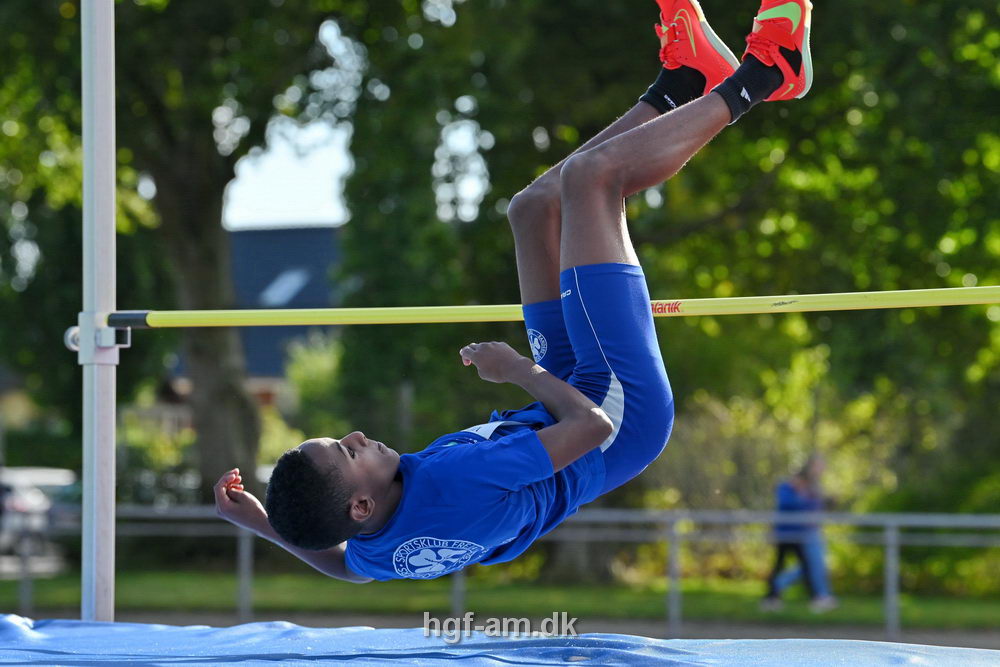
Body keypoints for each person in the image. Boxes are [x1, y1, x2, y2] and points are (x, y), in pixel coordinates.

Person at [215, 0, 814, 583]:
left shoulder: (377, 546)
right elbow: (592, 430)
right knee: (592, 180)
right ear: (361, 506)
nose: (354, 437)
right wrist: (517, 370)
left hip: (560, 404)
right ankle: (765, 75)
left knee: (531, 211)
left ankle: (683, 80)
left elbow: (345, 565)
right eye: (348, 454)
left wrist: (267, 525)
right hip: (614, 412)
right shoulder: (467, 481)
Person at [761, 454, 838, 612]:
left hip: (802, 534)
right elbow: (787, 504)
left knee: (807, 566)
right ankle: (773, 596)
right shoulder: (788, 486)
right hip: (787, 533)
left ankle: (816, 597)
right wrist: (802, 497)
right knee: (782, 564)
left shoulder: (813, 488)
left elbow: (815, 508)